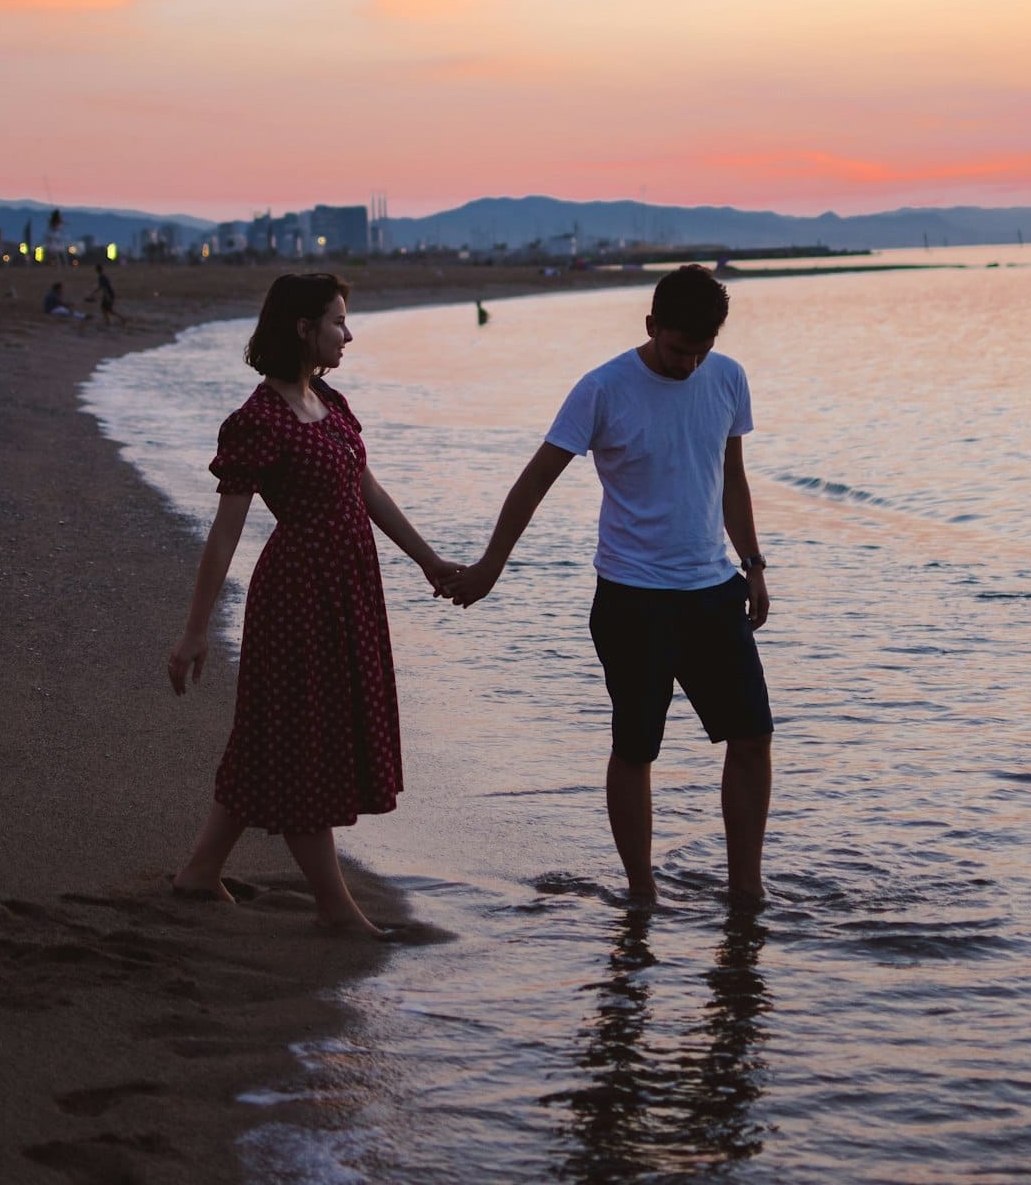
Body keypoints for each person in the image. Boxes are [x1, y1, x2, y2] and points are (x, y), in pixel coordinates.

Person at [443, 265, 773, 903]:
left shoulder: (728, 377)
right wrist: (490, 566)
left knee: (753, 736)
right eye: (678, 350)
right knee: (636, 748)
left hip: (713, 590)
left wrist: (753, 563)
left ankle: (747, 892)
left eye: (702, 350)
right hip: (632, 598)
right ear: (651, 326)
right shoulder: (602, 388)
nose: (689, 364)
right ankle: (641, 892)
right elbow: (535, 480)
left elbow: (732, 477)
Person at [168, 272, 460, 935]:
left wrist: (429, 560)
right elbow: (226, 533)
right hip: (297, 598)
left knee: (267, 737)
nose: (347, 334)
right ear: (303, 329)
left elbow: (366, 490)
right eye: (337, 321)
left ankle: (200, 871)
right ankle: (336, 908)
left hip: (349, 590)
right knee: (305, 743)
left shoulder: (328, 400)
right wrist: (194, 631)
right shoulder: (258, 420)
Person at [86, 261, 127, 328]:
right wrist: (93, 293)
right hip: (109, 294)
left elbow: (104, 288)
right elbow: (101, 287)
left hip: (108, 295)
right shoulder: (103, 277)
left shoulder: (101, 277)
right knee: (106, 309)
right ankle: (111, 321)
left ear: (96, 270)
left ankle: (119, 319)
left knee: (107, 309)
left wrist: (107, 297)